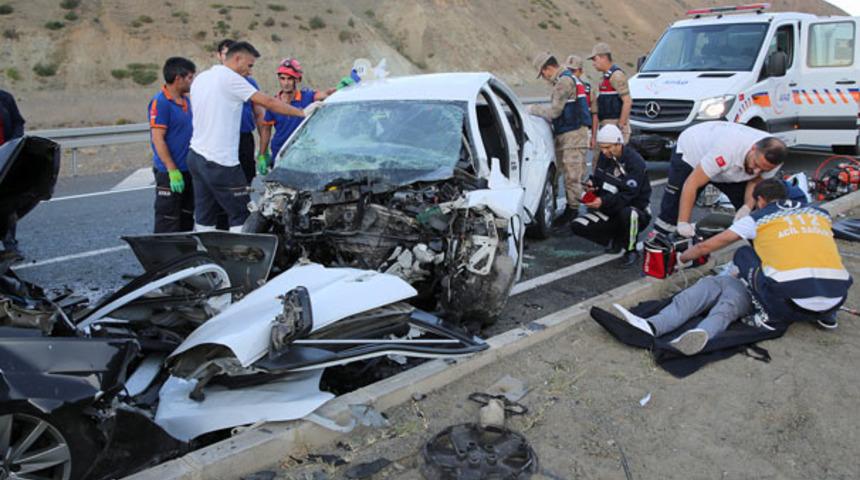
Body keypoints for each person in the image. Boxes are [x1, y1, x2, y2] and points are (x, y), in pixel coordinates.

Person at [679, 179, 852, 330]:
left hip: (787, 305)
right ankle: (827, 315)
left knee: (744, 254)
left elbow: (705, 246)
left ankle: (767, 315)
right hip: (837, 297)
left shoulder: (758, 218)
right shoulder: (820, 214)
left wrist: (682, 258)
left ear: (760, 200)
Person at [188, 41, 305, 232]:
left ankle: (204, 250)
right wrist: (302, 113)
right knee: (241, 214)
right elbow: (268, 102)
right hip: (220, 161)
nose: (250, 72)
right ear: (237, 58)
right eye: (249, 65)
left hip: (196, 156)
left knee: (205, 214)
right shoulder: (230, 79)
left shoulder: (202, 78)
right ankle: (244, 250)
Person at [654, 121, 787, 238]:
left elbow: (755, 181)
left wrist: (746, 207)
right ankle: (660, 238)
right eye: (756, 164)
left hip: (731, 167)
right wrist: (683, 223)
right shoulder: (727, 149)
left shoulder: (773, 160)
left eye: (763, 169)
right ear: (753, 149)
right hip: (693, 152)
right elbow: (692, 183)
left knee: (753, 213)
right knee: (675, 206)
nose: (756, 171)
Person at [571, 124, 651, 266]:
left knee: (629, 213)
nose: (604, 151)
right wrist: (592, 185)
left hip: (634, 209)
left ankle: (631, 250)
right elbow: (599, 178)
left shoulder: (635, 162)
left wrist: (602, 201)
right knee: (577, 225)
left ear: (618, 143)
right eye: (601, 147)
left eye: (608, 147)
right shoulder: (604, 156)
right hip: (610, 208)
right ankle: (616, 238)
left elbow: (628, 195)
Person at [613, 275, 753, 355]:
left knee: (724, 310)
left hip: (748, 291)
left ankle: (699, 336)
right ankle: (651, 326)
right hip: (726, 278)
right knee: (688, 299)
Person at [529, 52, 592, 225]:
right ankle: (566, 209)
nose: (544, 78)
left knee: (572, 175)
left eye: (543, 73)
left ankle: (572, 212)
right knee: (567, 173)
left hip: (573, 134)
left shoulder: (563, 82)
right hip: (570, 132)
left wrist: (534, 110)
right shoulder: (568, 78)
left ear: (548, 68)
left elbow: (554, 112)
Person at [257, 57, 334, 174]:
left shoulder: (307, 97)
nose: (286, 83)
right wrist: (262, 154)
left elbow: (326, 94)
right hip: (280, 152)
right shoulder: (274, 103)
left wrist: (342, 87)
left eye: (290, 79)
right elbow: (266, 129)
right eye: (282, 78)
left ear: (297, 80)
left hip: (303, 153)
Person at [148, 57, 196, 233]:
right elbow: (158, 138)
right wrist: (171, 169)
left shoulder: (186, 101)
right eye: (189, 77)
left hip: (188, 169)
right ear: (178, 78)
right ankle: (164, 251)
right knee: (168, 219)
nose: (192, 81)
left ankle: (185, 250)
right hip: (170, 173)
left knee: (186, 217)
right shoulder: (160, 102)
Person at [216, 39, 266, 184]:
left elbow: (260, 114)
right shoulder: (213, 81)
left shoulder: (249, 82)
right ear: (219, 56)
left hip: (244, 137)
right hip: (223, 139)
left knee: (246, 177)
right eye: (225, 53)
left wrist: (263, 151)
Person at [588, 43, 631, 147]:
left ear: (604, 57)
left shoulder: (616, 76)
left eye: (595, 59)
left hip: (615, 125)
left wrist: (620, 125)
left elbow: (627, 101)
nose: (593, 63)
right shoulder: (605, 77)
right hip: (606, 125)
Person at [0, 89, 26, 254]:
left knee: (8, 203)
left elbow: (18, 122)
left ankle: (10, 246)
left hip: (5, 159)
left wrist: (13, 144)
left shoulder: (5, 98)